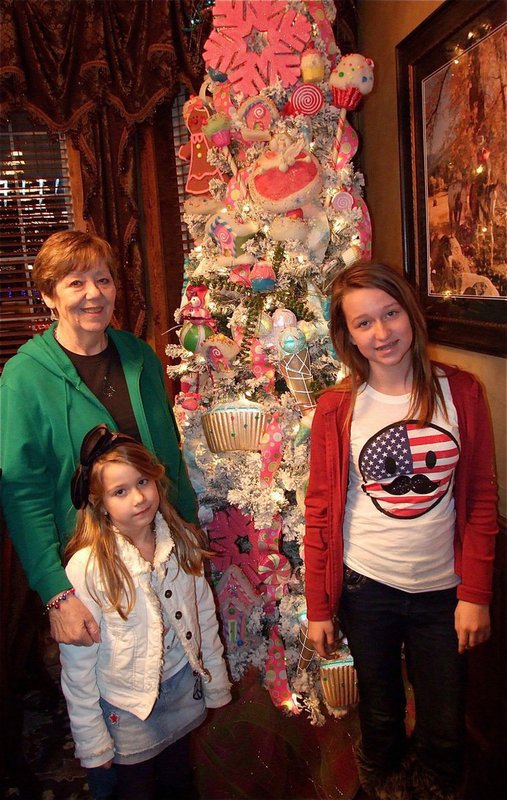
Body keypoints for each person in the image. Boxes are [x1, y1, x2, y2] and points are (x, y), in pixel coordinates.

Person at [304, 262, 498, 800]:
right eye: (363, 323)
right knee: (381, 720)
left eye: (390, 314)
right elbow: (320, 511)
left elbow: (481, 500)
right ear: (347, 334)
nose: (382, 333)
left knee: (444, 729)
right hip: (369, 591)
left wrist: (475, 594)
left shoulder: (461, 393)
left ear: (410, 313)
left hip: (443, 594)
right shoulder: (336, 409)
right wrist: (319, 606)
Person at [0, 230, 197, 646]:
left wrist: (188, 533)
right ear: (49, 296)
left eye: (103, 280)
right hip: (88, 571)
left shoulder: (138, 356)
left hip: (159, 551)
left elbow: (166, 458)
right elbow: (24, 494)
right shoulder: (24, 378)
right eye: (76, 283)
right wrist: (57, 594)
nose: (94, 294)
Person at [60, 424, 231, 800]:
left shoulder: (182, 541)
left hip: (182, 689)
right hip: (129, 709)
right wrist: (92, 742)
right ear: (99, 503)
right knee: (136, 790)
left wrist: (216, 683)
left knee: (179, 781)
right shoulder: (88, 567)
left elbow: (204, 617)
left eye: (143, 483)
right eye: (120, 492)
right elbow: (78, 666)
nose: (138, 498)